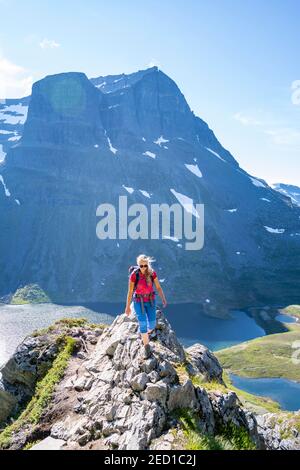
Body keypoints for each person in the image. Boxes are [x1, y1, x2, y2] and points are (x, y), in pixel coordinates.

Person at [125, 254, 167, 358]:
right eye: (141, 266)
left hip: (151, 300)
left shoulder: (152, 273)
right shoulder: (134, 275)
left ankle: (144, 334)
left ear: (148, 264)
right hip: (138, 301)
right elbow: (130, 291)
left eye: (145, 265)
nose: (143, 268)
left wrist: (163, 299)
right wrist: (127, 307)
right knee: (143, 323)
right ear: (138, 265)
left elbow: (158, 287)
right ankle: (146, 347)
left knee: (152, 325)